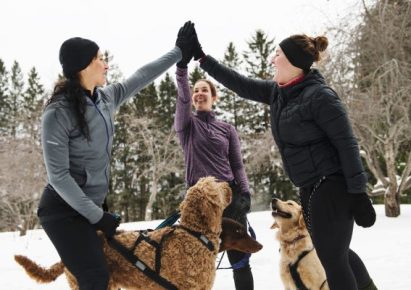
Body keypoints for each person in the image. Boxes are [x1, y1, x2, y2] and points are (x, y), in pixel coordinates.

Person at [190, 30, 378, 290]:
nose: (272, 60)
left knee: (332, 258)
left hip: (333, 185)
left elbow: (347, 144)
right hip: (310, 187)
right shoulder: (279, 93)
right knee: (335, 253)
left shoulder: (321, 97)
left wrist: (359, 193)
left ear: (292, 61)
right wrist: (202, 57)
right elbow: (241, 84)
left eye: (277, 54)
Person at [37, 21, 196, 290]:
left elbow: (142, 75)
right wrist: (97, 216)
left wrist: (178, 52)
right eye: (100, 58)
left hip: (91, 207)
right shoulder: (57, 112)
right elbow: (59, 177)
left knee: (105, 275)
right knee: (96, 278)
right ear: (83, 66)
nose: (106, 63)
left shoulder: (105, 98)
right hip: (62, 212)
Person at [174, 52, 255, 289]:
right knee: (195, 261)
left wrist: (245, 193)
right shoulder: (187, 125)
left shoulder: (227, 129)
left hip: (229, 198)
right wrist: (182, 70)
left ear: (214, 97)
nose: (199, 93)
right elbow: (183, 101)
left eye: (205, 90)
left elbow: (237, 164)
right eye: (195, 89)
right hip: (198, 201)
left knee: (240, 260)